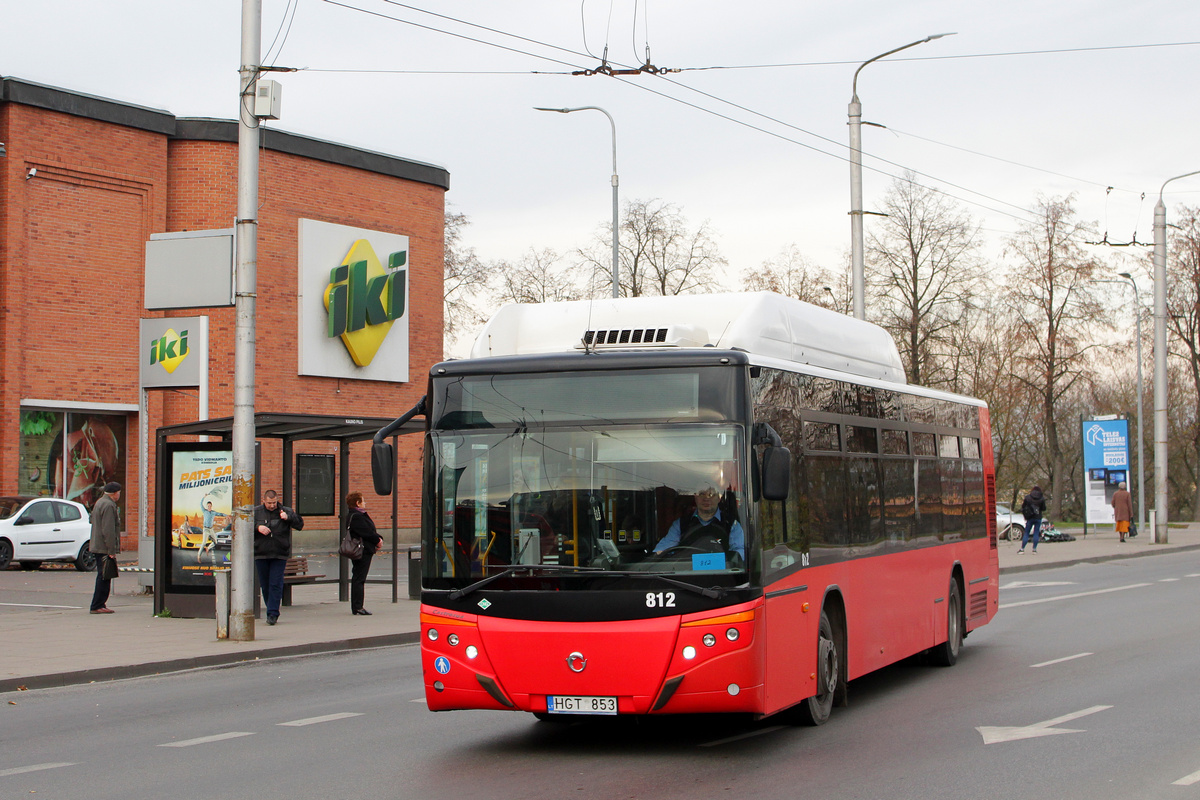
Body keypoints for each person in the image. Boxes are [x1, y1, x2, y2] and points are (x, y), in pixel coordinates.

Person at [654, 481, 745, 563]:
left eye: (711, 494)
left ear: (719, 498)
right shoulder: (681, 524)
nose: (706, 498)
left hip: (724, 576)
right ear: (695, 497)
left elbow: (740, 553)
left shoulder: (732, 524)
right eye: (701, 493)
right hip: (686, 576)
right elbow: (661, 551)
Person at [254, 489, 304, 626]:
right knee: (265, 585)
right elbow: (245, 526)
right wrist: (258, 527)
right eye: (269, 503)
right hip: (261, 553)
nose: (272, 505)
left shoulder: (285, 511)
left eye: (274, 502)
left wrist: (288, 518)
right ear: (264, 501)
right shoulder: (256, 512)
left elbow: (300, 524)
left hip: (279, 553)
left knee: (275, 583)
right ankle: (271, 607)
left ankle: (273, 613)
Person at [345, 492, 383, 616]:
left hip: (363, 549)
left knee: (358, 577)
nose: (365, 503)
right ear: (357, 503)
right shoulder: (357, 516)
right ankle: (358, 606)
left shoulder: (356, 515)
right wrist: (377, 540)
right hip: (362, 550)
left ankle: (357, 605)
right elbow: (366, 532)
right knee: (359, 578)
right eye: (363, 500)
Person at [89, 482, 122, 614]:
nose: (119, 495)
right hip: (103, 547)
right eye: (119, 492)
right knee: (104, 576)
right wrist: (111, 550)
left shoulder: (100, 502)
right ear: (115, 493)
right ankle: (98, 605)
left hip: (98, 545)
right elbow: (108, 529)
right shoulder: (108, 505)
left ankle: (99, 604)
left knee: (103, 575)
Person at [1018, 485, 1047, 555]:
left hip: (1030, 517)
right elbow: (1044, 508)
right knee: (1036, 533)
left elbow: (1023, 507)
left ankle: (1022, 549)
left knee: (1026, 532)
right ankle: (1034, 549)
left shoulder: (1028, 498)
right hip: (1038, 517)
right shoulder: (1042, 498)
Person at [197, 495, 219, 563]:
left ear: (211, 506)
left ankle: (208, 548)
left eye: (210, 506)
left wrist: (226, 515)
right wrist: (204, 497)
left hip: (211, 529)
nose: (209, 507)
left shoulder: (213, 512)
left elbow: (220, 513)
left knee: (215, 542)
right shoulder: (204, 511)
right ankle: (199, 556)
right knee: (204, 543)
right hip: (206, 529)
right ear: (207, 506)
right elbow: (200, 503)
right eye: (208, 506)